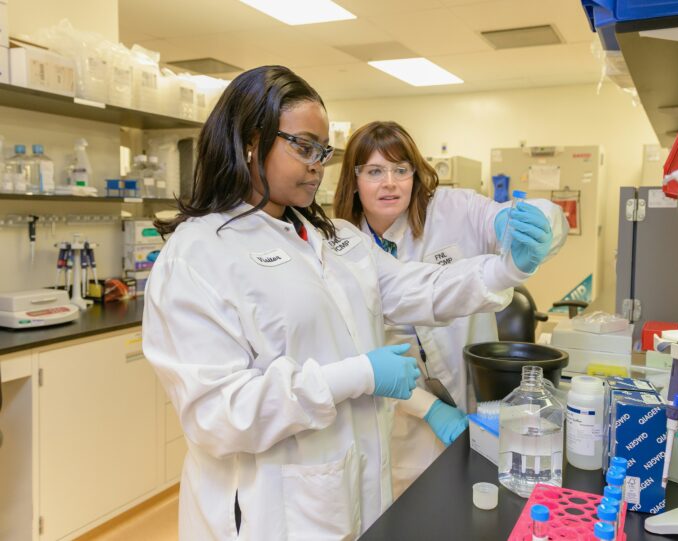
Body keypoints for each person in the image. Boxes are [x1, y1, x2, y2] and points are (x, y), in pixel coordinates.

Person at [143, 66, 543, 541]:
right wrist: (358, 375)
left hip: (355, 492)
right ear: (251, 142)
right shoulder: (198, 255)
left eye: (323, 152)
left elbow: (418, 289)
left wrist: (505, 269)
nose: (316, 164)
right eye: (303, 147)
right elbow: (219, 415)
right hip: (270, 512)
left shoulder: (335, 237)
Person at [333, 120, 568, 498]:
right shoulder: (344, 247)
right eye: (375, 171)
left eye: (400, 169)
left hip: (477, 394)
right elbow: (363, 355)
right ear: (354, 180)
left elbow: (519, 218)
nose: (389, 182)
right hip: (404, 415)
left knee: (488, 497)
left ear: (415, 173)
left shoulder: (453, 209)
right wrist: (428, 408)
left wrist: (539, 221)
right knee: (420, 506)